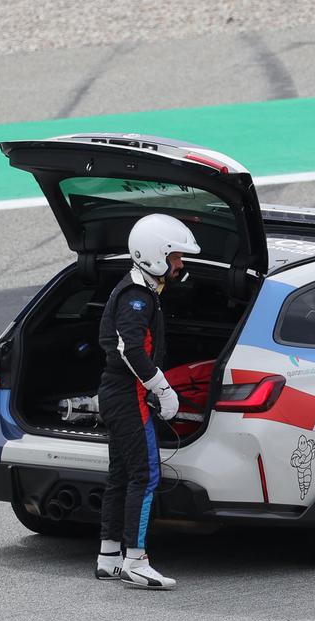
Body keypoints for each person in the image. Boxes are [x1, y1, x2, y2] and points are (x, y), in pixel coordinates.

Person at [95, 214, 199, 590]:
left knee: (121, 474)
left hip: (120, 393)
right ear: (157, 256)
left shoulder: (141, 289)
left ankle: (109, 557)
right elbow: (130, 350)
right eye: (176, 257)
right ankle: (136, 561)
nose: (180, 265)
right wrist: (163, 388)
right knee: (146, 475)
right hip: (129, 396)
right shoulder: (137, 298)